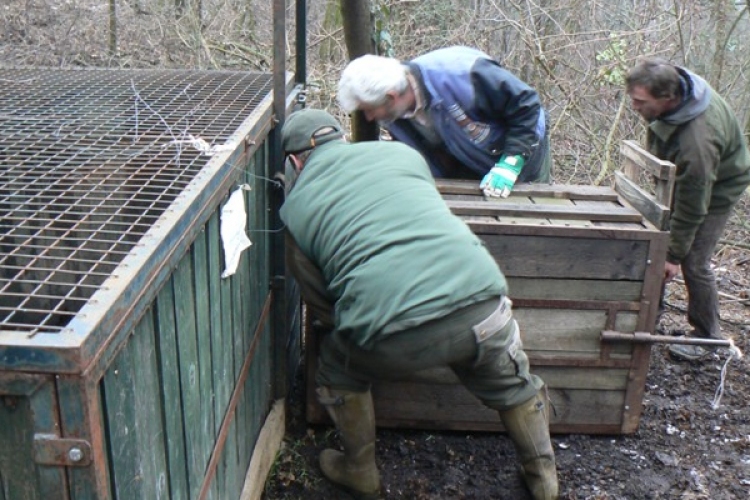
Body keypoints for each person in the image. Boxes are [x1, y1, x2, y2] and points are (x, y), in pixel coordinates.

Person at [279, 108, 559, 500]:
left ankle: (360, 470)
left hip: (389, 333)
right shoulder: (404, 156)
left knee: (336, 367)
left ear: (294, 162)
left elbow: (323, 306)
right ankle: (544, 479)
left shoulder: (295, 210)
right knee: (514, 383)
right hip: (483, 301)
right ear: (342, 138)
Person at [625, 58, 750, 361]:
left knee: (693, 261)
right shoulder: (678, 88)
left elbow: (694, 205)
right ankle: (650, 317)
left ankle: (708, 339)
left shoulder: (697, 141)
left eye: (640, 101)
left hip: (717, 186)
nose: (634, 107)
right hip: (683, 178)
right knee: (656, 239)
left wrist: (673, 255)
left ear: (666, 99)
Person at [336, 46, 551, 198]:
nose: (369, 118)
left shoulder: (462, 74)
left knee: (531, 219)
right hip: (467, 167)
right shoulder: (394, 114)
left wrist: (511, 163)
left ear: (392, 96)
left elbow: (527, 105)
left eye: (369, 110)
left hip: (522, 154)